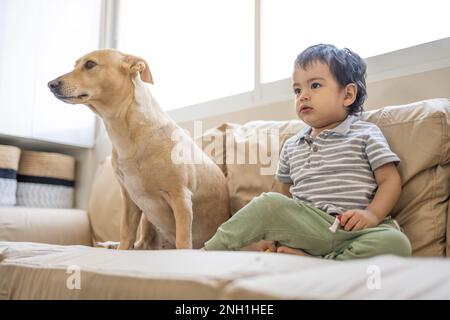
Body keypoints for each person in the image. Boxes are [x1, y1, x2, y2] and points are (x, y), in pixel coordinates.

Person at [203, 44, 412, 260]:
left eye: (315, 85)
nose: (303, 96)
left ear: (348, 95)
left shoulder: (366, 133)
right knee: (267, 203)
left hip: (353, 231)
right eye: (297, 90)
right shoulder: (292, 145)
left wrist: (372, 214)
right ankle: (209, 251)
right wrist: (274, 229)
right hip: (308, 228)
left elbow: (389, 180)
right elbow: (281, 195)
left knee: (396, 243)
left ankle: (319, 263)